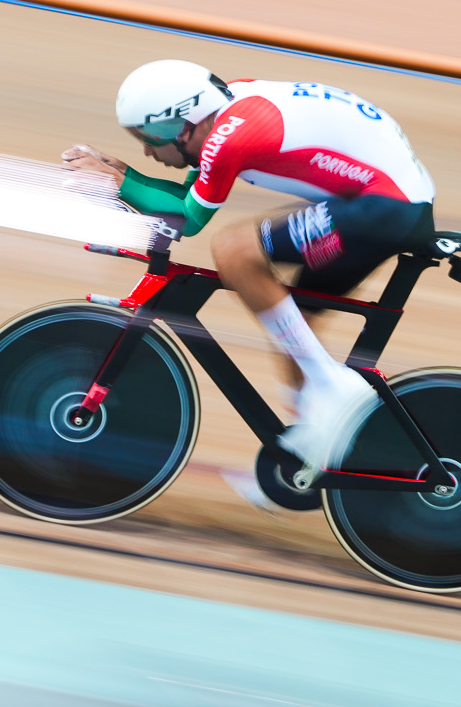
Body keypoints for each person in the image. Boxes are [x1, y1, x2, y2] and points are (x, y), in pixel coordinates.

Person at [61, 59, 437, 479]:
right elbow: (185, 196)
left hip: (386, 206)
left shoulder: (230, 134)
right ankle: (307, 457)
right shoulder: (225, 111)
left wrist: (122, 183)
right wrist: (124, 175)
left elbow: (189, 218)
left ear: (184, 125)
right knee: (295, 323)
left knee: (234, 248)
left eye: (149, 137)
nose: (147, 149)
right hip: (382, 203)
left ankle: (336, 389)